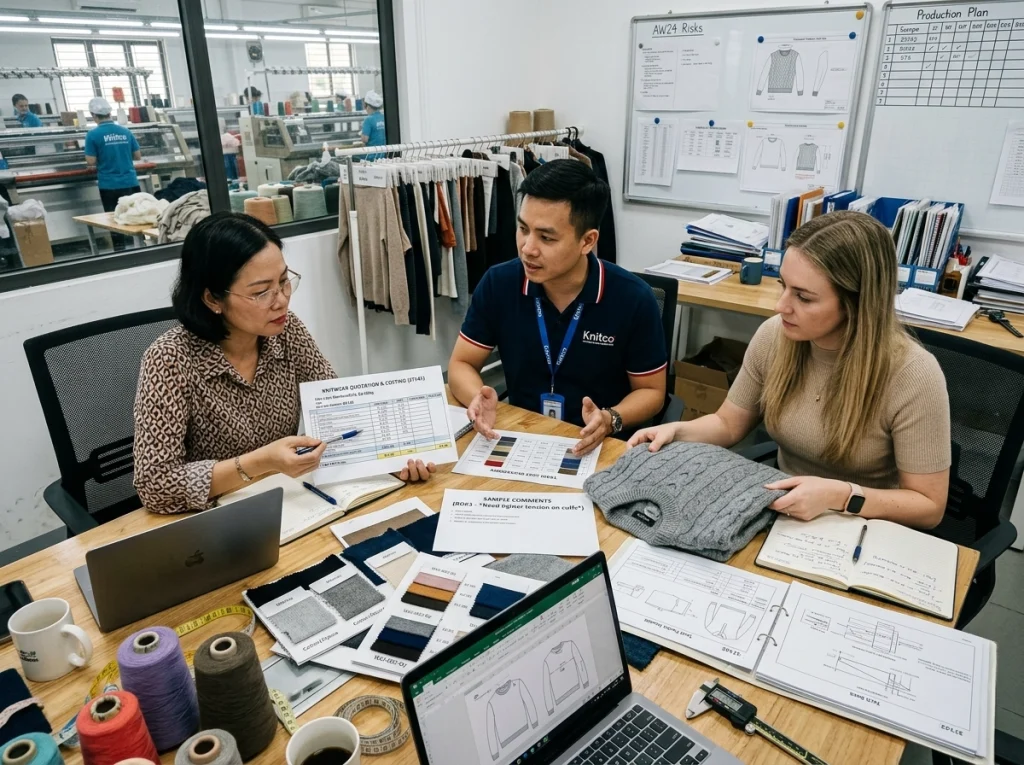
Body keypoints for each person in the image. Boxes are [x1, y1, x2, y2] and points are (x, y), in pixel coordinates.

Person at [630, 211, 950, 529]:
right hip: (782, 513)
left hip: (864, 525)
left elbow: (929, 507)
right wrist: (678, 432)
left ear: (857, 303)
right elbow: (728, 424)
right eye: (783, 286)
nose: (780, 306)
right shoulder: (775, 336)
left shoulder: (914, 374)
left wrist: (839, 495)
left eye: (803, 297)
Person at [133, 213, 434, 515]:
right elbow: (154, 484)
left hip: (287, 500)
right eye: (262, 292)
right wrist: (260, 462)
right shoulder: (170, 359)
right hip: (214, 519)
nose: (281, 301)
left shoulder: (286, 331)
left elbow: (338, 408)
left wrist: (387, 459)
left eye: (284, 281)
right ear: (213, 299)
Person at [449, 159, 668, 457]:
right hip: (518, 438)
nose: (528, 247)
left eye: (546, 237)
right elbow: (461, 364)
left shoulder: (633, 298)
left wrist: (609, 418)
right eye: (523, 229)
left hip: (599, 447)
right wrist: (479, 398)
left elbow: (652, 392)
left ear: (587, 241)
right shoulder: (499, 283)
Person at [83, 97, 141, 251]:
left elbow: (90, 161)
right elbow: (137, 156)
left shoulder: (93, 135)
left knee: (114, 219)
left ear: (94, 115)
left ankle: (119, 251)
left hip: (109, 185)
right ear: (110, 113)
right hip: (130, 182)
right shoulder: (125, 131)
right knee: (137, 216)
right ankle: (141, 247)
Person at [360, 90, 386, 159]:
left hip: (372, 155)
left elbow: (365, 139)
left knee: (353, 156)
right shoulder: (384, 117)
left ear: (368, 106)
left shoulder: (368, 119)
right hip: (384, 154)